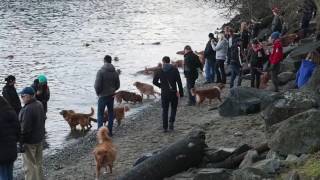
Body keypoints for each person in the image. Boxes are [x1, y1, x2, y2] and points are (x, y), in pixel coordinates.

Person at [19, 87, 46, 180]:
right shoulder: (39, 104)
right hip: (39, 139)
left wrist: (21, 142)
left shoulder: (27, 109)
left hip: (29, 142)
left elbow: (25, 129)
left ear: (29, 96)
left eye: (23, 96)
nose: (21, 98)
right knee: (38, 164)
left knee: (29, 167)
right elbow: (43, 119)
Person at [153, 56, 184, 132]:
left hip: (164, 93)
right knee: (173, 108)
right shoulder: (174, 69)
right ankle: (171, 123)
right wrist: (181, 93)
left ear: (163, 62)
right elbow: (179, 82)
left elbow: (154, 82)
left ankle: (165, 128)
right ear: (169, 61)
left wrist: (161, 86)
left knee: (165, 110)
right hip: (173, 92)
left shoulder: (159, 70)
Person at [94, 55, 120, 135]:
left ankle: (101, 133)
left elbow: (97, 85)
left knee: (100, 114)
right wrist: (113, 90)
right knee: (111, 113)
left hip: (102, 96)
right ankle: (110, 132)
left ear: (104, 61)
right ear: (111, 61)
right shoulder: (115, 72)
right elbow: (118, 85)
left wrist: (98, 93)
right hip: (111, 95)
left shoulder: (100, 71)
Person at [0, 96, 20, 180]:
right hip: (12, 150)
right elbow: (18, 131)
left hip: (1, 152)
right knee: (9, 173)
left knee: (3, 175)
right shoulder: (12, 112)